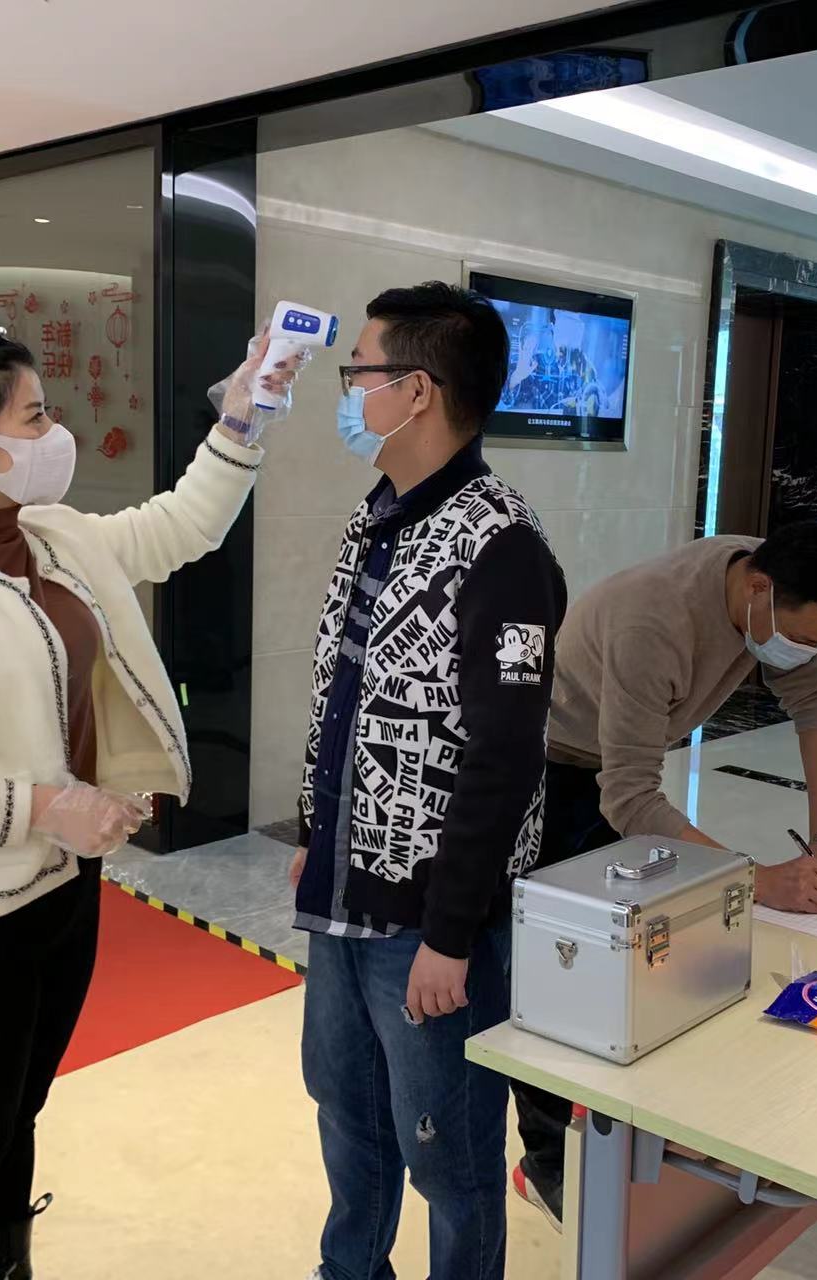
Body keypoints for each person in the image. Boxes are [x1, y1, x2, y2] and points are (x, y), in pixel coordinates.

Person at [0, 325, 303, 1280]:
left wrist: (241, 422)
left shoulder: (51, 537)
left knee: (21, 1113)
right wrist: (45, 807)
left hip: (64, 895)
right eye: (35, 416)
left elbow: (179, 528)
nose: (57, 433)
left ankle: (13, 1261)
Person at [288, 282, 566, 1280]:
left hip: (428, 919)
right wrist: (318, 839)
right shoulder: (380, 516)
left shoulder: (503, 546)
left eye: (358, 370)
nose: (348, 390)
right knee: (346, 1110)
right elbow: (347, 695)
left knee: (446, 1153)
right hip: (344, 890)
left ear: (415, 391)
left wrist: (450, 934)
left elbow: (503, 754)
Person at [507, 521, 817, 1228]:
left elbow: (815, 705)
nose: (803, 655)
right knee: (554, 969)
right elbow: (630, 798)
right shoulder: (655, 619)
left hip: (616, 764)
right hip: (550, 767)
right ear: (759, 590)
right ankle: (546, 1163)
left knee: (649, 957)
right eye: (802, 640)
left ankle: (640, 1128)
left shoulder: (771, 587)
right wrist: (755, 880)